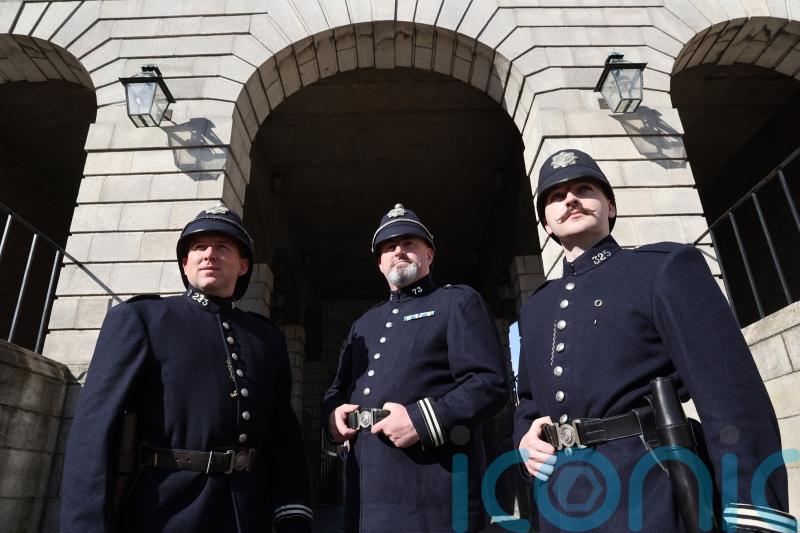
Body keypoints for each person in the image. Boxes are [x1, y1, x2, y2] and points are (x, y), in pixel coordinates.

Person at [514, 149, 796, 532]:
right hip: (561, 504)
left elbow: (731, 397)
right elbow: (528, 403)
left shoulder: (662, 269)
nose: (570, 199)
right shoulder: (536, 308)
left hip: (650, 493)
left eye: (584, 188)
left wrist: (755, 513)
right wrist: (525, 442)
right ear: (546, 224)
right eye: (555, 196)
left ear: (610, 208)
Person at [61, 206, 312, 533]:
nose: (210, 255)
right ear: (184, 263)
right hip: (164, 511)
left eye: (223, 247)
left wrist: (292, 515)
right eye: (198, 247)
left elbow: (283, 435)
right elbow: (93, 431)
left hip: (249, 514)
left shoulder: (266, 338)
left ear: (243, 266)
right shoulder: (145, 319)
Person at [323, 203, 510, 533]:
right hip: (366, 491)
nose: (398, 250)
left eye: (409, 243)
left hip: (432, 489)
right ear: (380, 263)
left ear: (429, 255)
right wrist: (332, 417)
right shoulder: (363, 324)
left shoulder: (457, 302)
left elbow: (489, 383)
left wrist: (422, 420)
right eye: (388, 247)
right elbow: (337, 389)